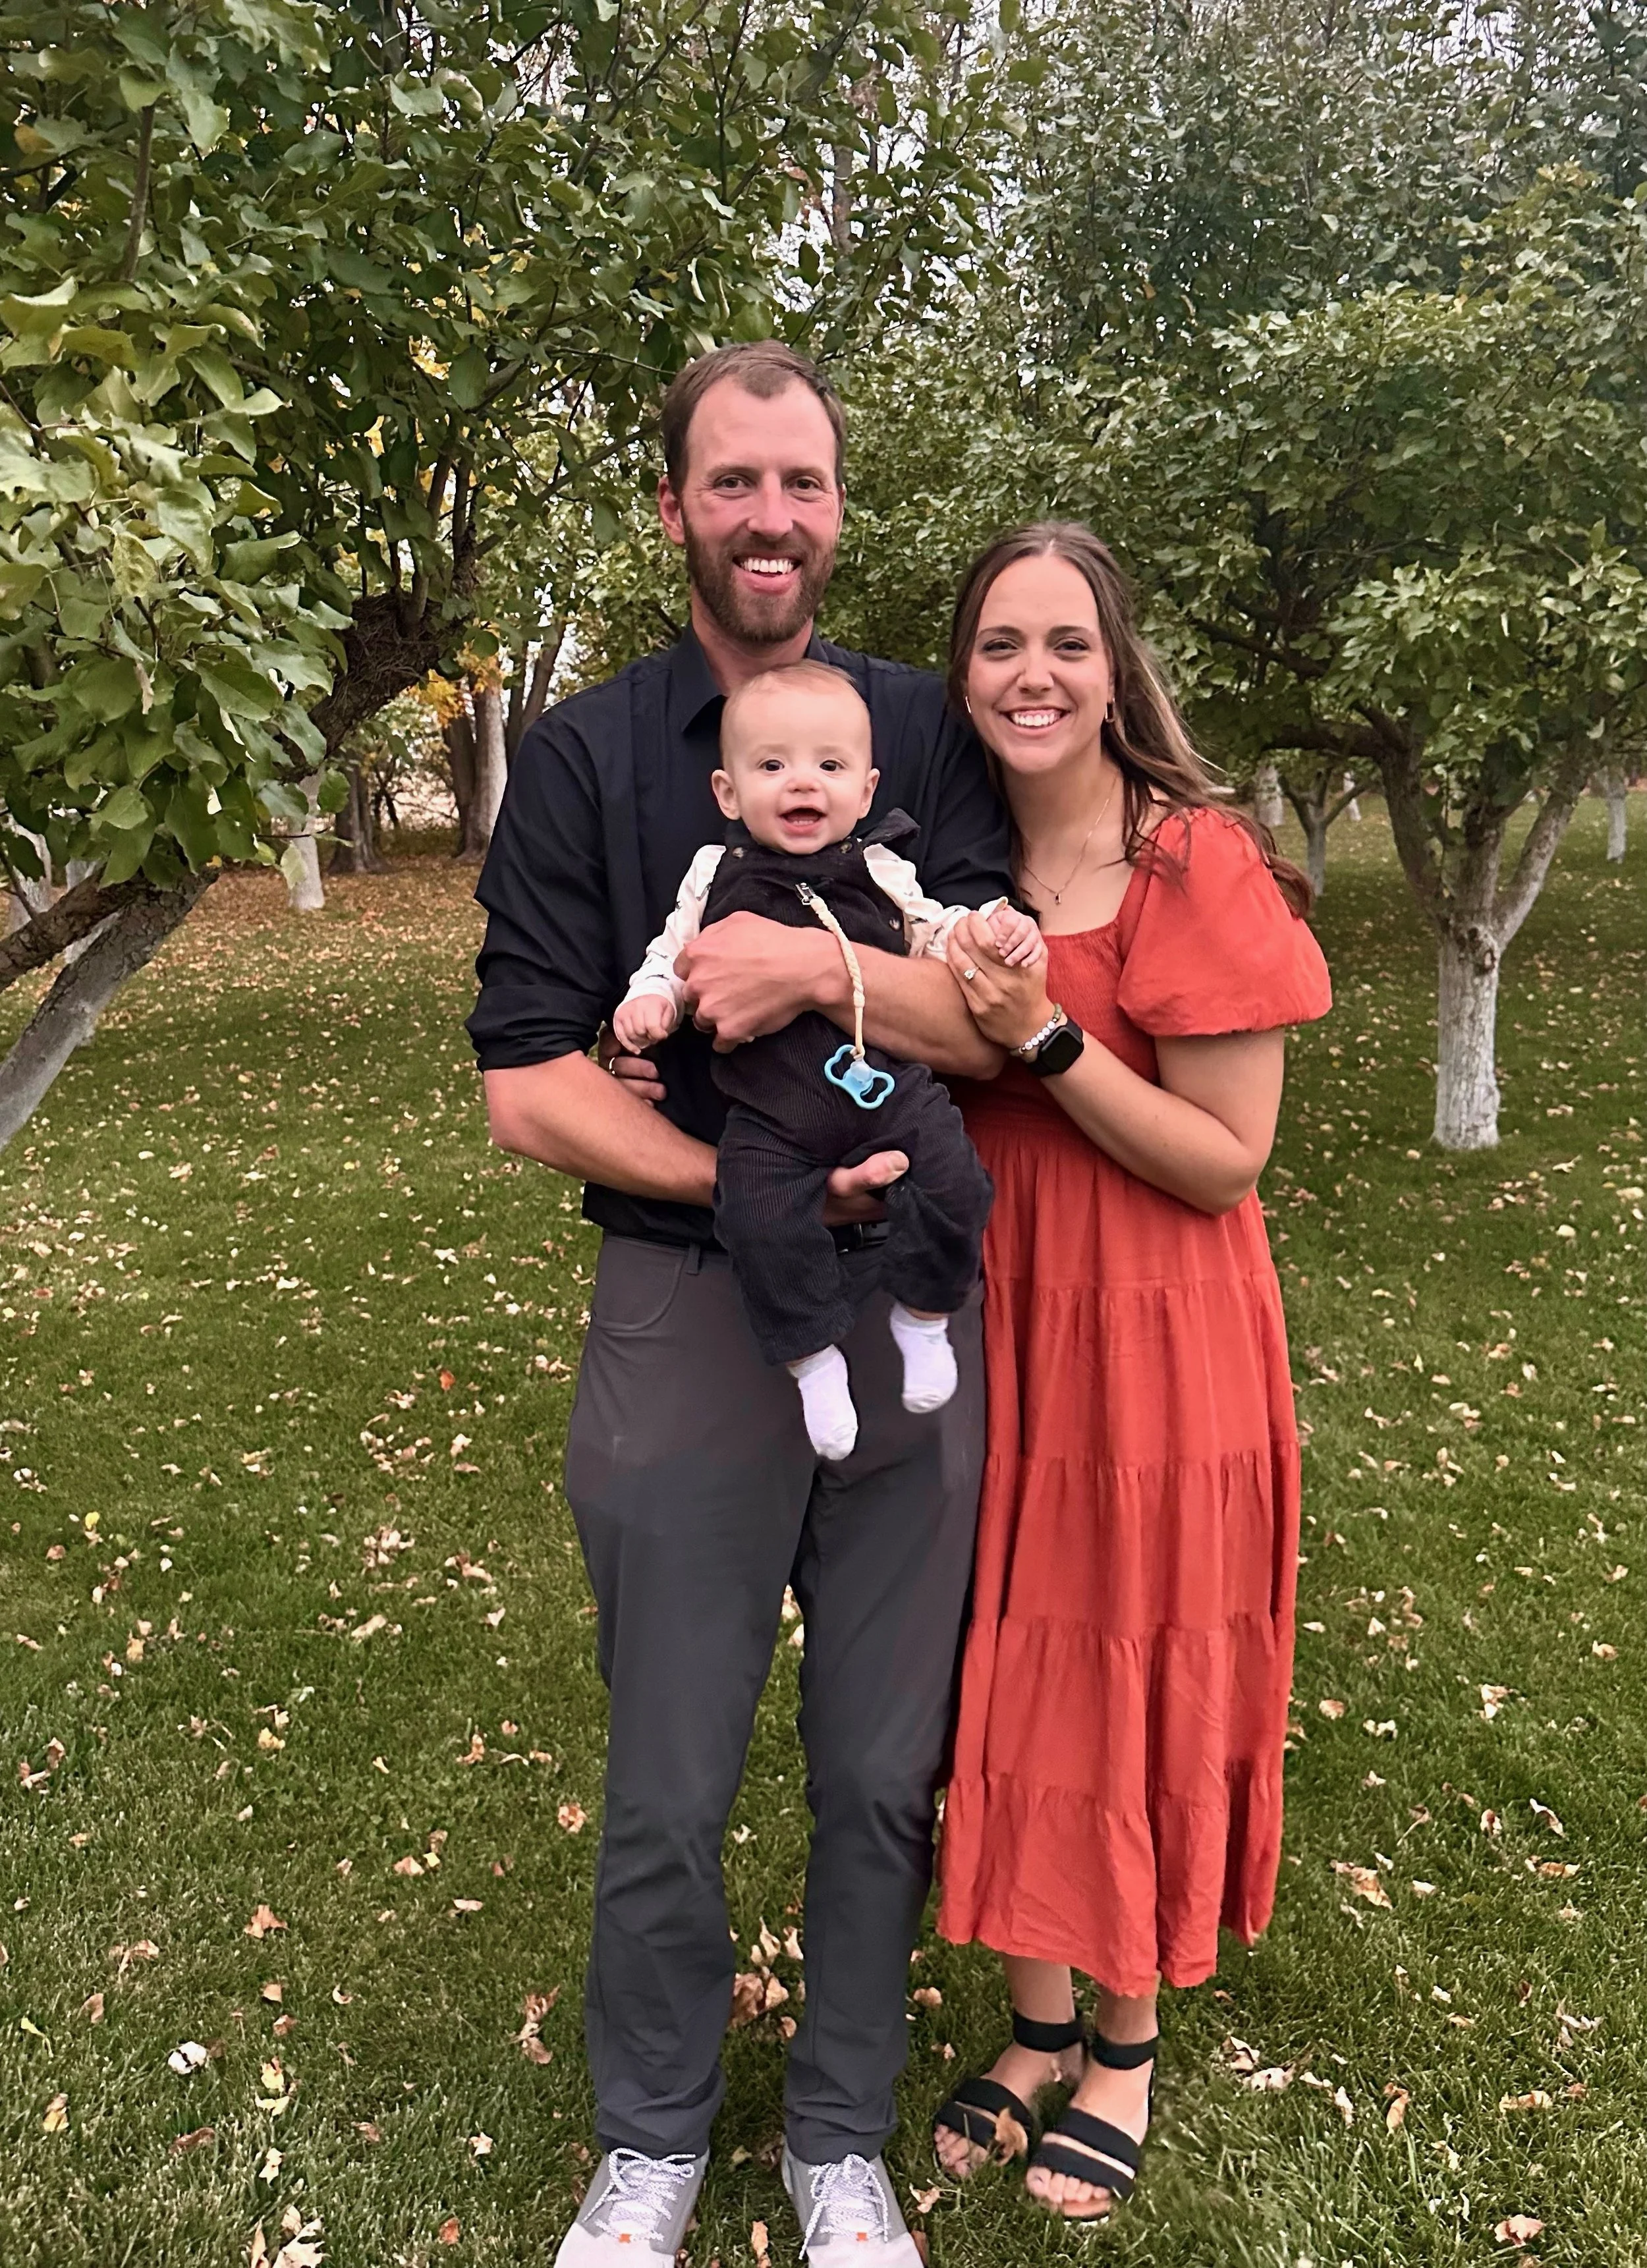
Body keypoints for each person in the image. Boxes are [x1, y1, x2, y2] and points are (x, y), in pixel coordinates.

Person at [466, 342, 1013, 2267]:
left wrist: (808, 975)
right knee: (670, 1771)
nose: (768, 516)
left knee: (877, 1763)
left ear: (836, 508)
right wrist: (752, 1187)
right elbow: (526, 1082)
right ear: (673, 506)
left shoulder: (915, 734)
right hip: (685, 1312)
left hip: (916, 1315)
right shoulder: (589, 757)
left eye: (800, 481)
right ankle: (650, 2136)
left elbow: (995, 1014)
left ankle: (839, 2133)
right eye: (731, 481)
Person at [926, 523, 1331, 2223]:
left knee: (1129, 1651)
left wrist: (1044, 1040)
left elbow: (1225, 1155)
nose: (1031, 673)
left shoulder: (1189, 862)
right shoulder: (938, 859)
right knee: (1008, 1654)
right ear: (961, 671)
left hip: (1159, 1339)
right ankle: (1030, 2020)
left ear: (1115, 669)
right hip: (996, 1321)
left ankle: (1124, 2032)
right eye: (998, 642)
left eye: (1065, 643)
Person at [613, 659, 1031, 1459]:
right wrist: (652, 1001)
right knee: (757, 1218)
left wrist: (985, 931)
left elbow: (935, 934)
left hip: (885, 1092)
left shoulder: (881, 865)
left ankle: (925, 1314)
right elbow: (673, 954)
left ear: (866, 790)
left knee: (954, 1181)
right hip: (771, 1109)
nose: (801, 783)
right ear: (728, 793)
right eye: (772, 765)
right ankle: (811, 1359)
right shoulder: (713, 873)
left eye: (829, 766)